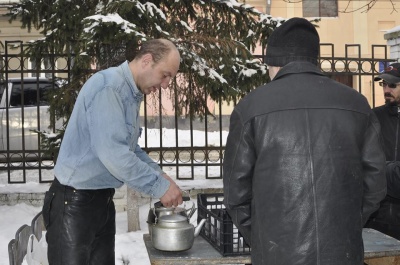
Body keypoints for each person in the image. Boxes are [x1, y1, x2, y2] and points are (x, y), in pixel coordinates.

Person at [223, 17, 386, 265]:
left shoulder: (251, 107)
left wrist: (267, 240)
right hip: (343, 253)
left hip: (277, 255)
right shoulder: (356, 104)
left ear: (274, 62)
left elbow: (236, 194)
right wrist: (344, 226)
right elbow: (375, 183)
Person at [42, 38, 183, 265]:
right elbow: (115, 155)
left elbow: (131, 149)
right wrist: (158, 187)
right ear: (147, 60)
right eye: (165, 74)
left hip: (99, 201)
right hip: (74, 205)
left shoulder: (130, 93)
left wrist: (160, 175)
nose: (166, 84)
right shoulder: (109, 88)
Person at [365, 62, 400, 240]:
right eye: (383, 84)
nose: (386, 90)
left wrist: (379, 169)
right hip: (377, 218)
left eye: (392, 85)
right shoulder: (373, 117)